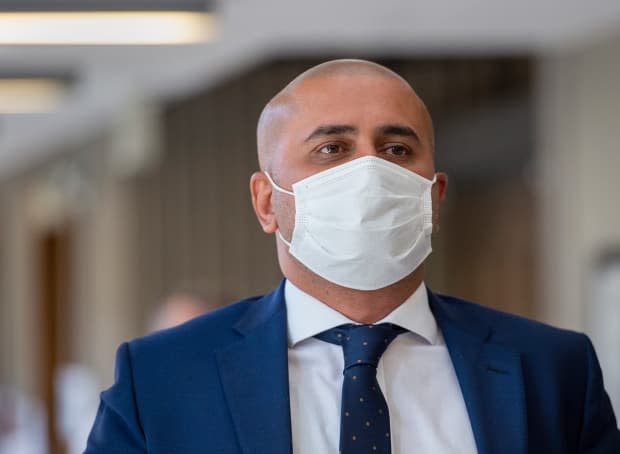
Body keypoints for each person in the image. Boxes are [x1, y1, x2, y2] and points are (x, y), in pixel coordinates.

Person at [85, 60, 620, 453]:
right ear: (267, 201)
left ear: (433, 196)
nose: (370, 172)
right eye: (332, 149)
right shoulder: (162, 379)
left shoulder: (553, 371)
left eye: (396, 149)